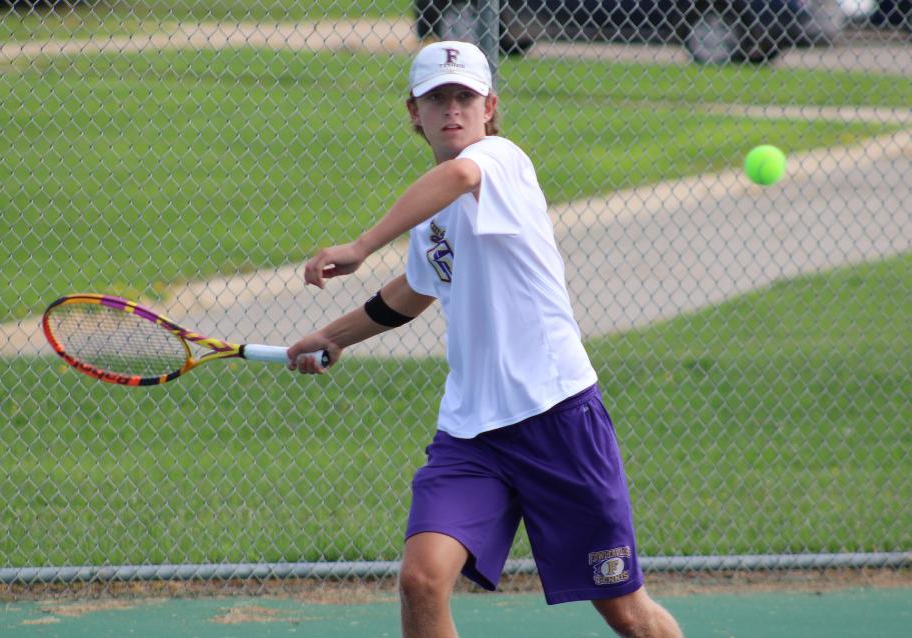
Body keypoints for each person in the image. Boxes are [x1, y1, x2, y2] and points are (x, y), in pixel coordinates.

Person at [286, 40, 683, 638]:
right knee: (421, 580)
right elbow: (416, 289)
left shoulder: (501, 162)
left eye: (465, 96)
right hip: (472, 434)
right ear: (412, 114)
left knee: (627, 613)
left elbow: (461, 175)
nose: (453, 109)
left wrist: (361, 246)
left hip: (557, 417)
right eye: (437, 98)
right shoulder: (430, 209)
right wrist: (333, 336)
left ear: (490, 107)